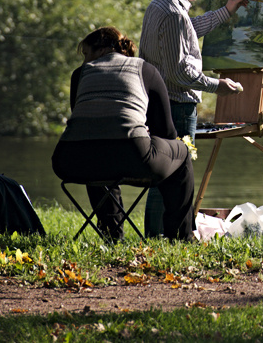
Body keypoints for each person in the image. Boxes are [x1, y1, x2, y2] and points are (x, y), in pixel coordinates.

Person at [139, 0, 249, 236]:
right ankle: (167, 236)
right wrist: (217, 85)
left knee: (162, 173)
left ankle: (158, 235)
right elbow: (178, 72)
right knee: (174, 176)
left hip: (157, 103)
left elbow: (187, 32)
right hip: (176, 105)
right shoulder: (175, 13)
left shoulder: (159, 6)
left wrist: (225, 11)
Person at [52, 26, 196, 241]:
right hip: (133, 156)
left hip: (69, 160)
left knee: (96, 151)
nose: (85, 61)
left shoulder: (79, 74)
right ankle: (180, 236)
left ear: (102, 51)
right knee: (181, 152)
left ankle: (112, 232)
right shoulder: (145, 69)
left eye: (87, 54)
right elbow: (166, 131)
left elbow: (86, 122)